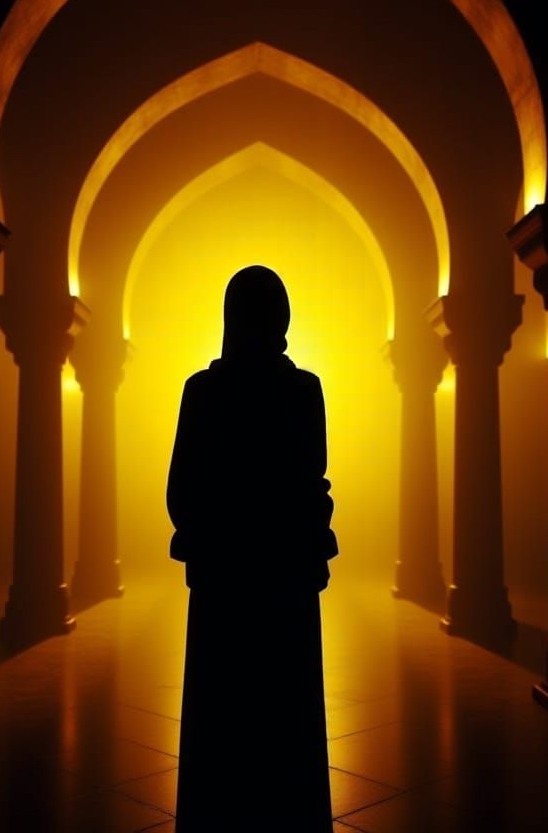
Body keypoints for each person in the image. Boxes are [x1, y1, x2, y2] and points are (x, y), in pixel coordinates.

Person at [167, 264, 338, 832]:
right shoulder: (302, 391)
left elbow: (181, 491)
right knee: (286, 722)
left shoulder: (203, 392)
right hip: (285, 582)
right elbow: (314, 484)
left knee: (222, 719)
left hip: (222, 582)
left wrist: (215, 535)